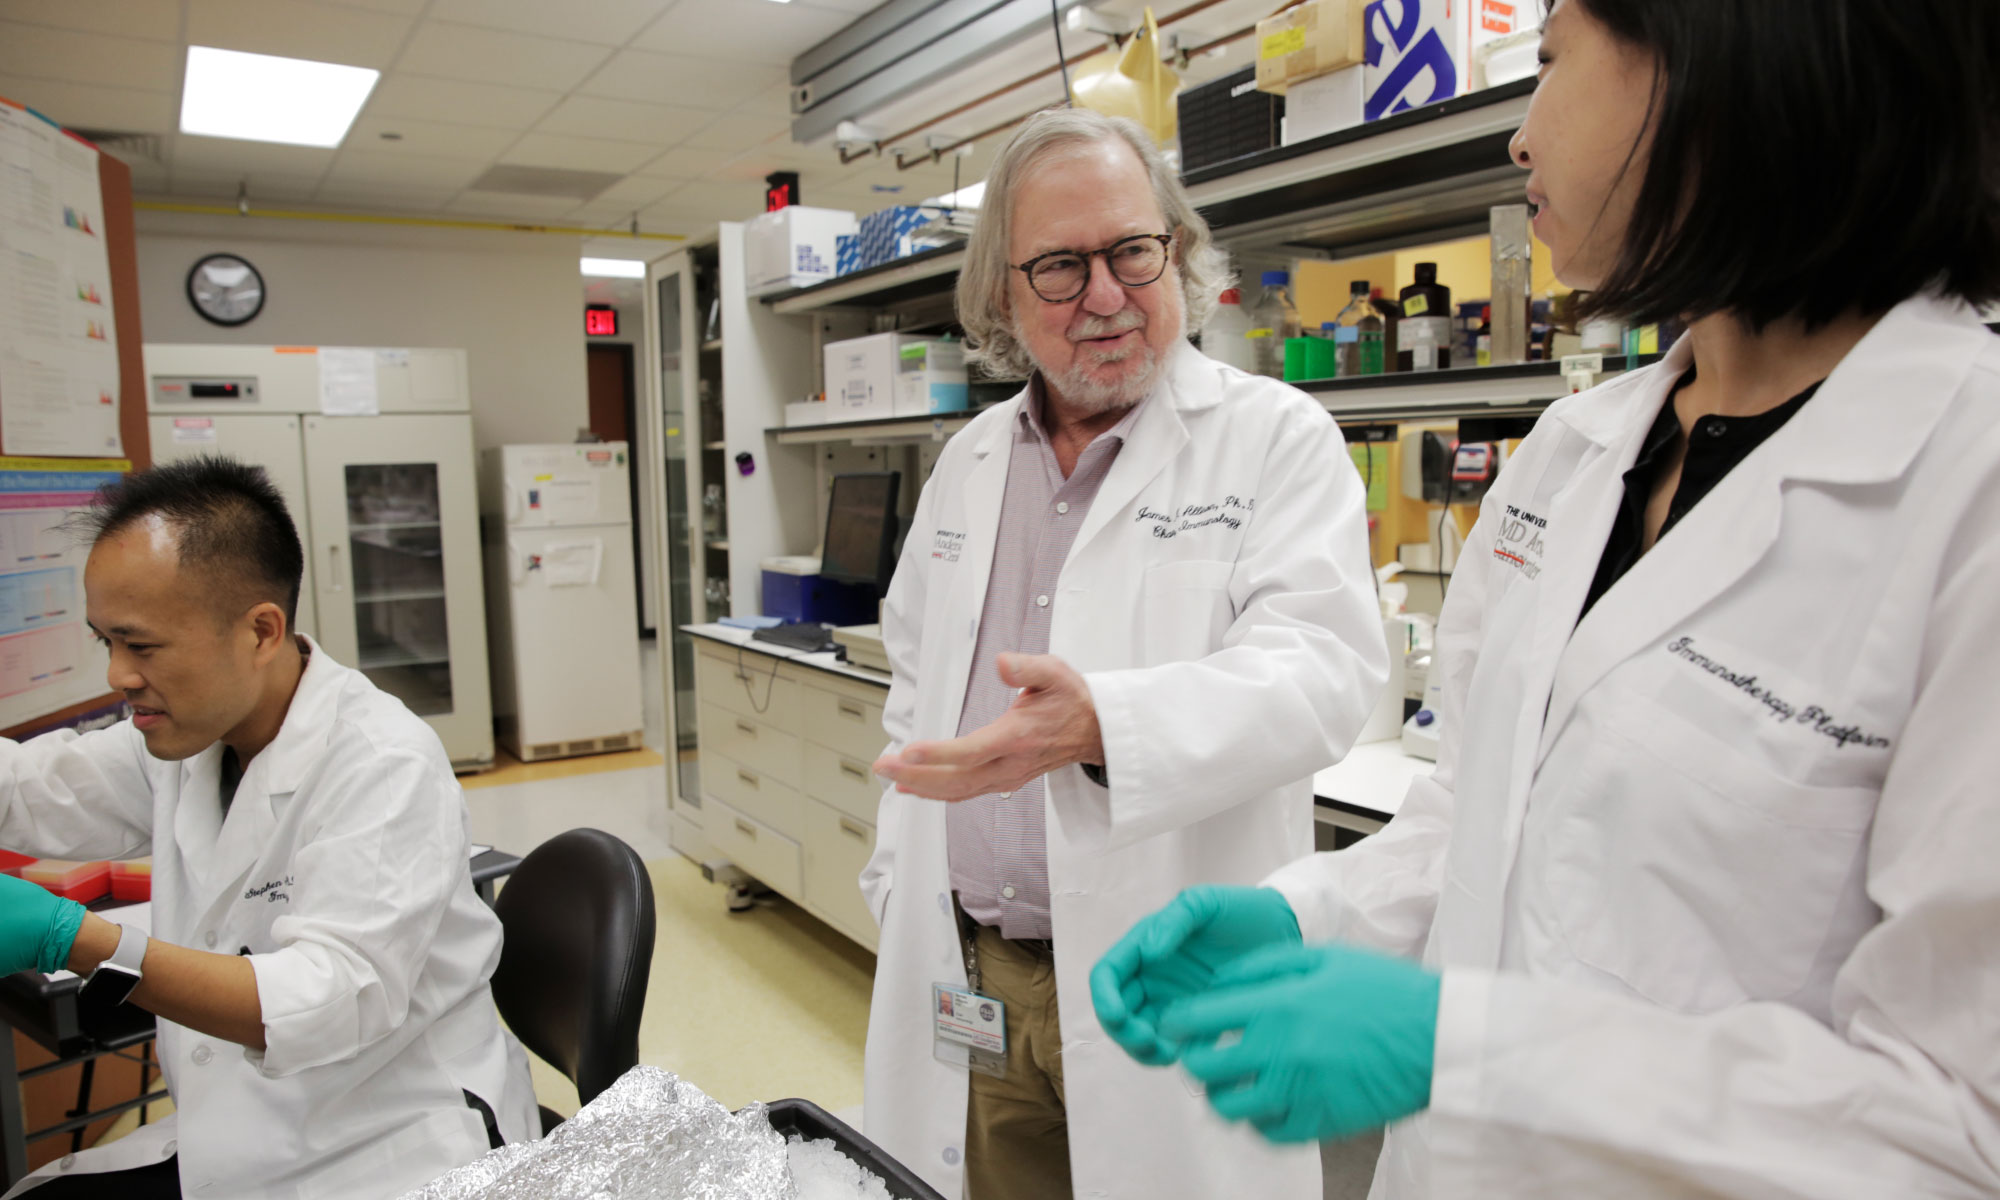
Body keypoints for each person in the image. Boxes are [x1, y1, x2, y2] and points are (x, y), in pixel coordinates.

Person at [1092, 0, 2000, 1194]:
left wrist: (1467, 1052)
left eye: (1551, 61)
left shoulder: (1964, 489)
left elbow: (1955, 1129)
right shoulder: (1571, 456)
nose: (1520, 136)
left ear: (1723, 64)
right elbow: (1472, 817)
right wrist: (1305, 917)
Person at [861, 106, 1388, 1200]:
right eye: (1057, 266)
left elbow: (1324, 673)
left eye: (1130, 252)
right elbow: (913, 680)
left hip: (1167, 982)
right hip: (977, 977)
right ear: (1001, 295)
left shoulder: (1274, 439)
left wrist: (1108, 724)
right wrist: (894, 877)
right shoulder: (965, 463)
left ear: (1178, 253)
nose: (1104, 296)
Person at [0, 458, 535, 1198]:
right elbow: (38, 793)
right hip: (245, 1131)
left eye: (142, 646)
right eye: (107, 645)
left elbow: (330, 999)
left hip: (385, 1151)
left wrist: (79, 940)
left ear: (259, 630)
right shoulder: (187, 735)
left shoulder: (382, 761)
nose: (118, 675)